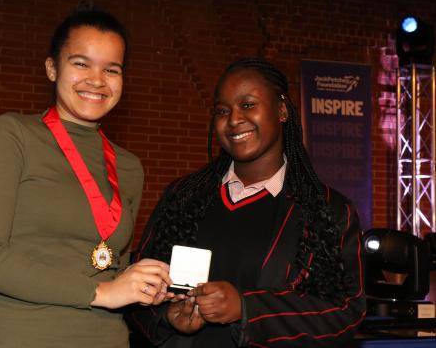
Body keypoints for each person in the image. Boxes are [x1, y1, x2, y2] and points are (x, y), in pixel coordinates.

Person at [0, 5, 172, 348]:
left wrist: (143, 284)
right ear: (51, 68)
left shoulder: (129, 166)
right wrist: (102, 292)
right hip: (20, 338)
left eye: (112, 69)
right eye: (81, 63)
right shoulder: (14, 135)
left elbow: (106, 265)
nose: (96, 80)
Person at [126, 58, 366, 347]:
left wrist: (246, 309)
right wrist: (166, 317)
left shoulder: (327, 210)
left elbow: (345, 313)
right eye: (222, 110)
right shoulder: (183, 197)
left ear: (281, 110)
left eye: (248, 105)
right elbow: (134, 289)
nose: (234, 119)